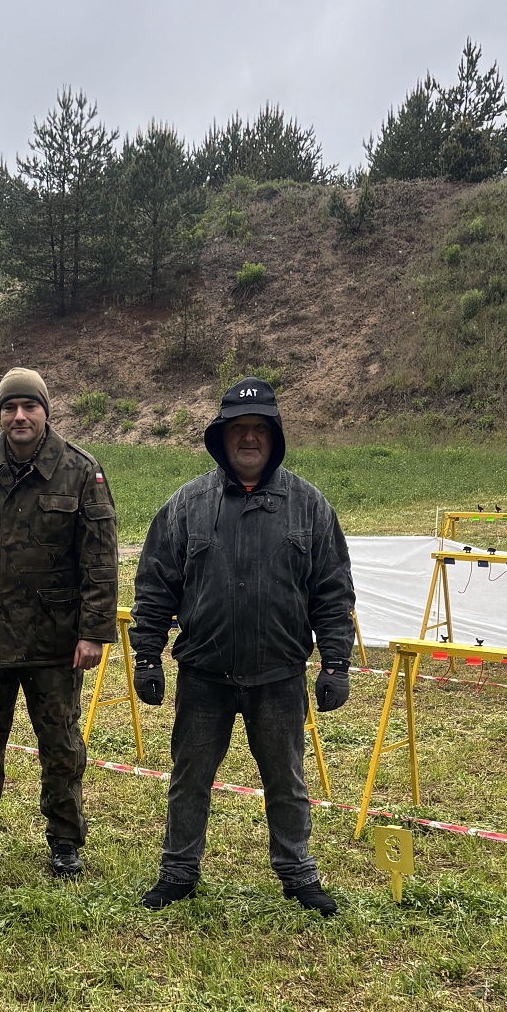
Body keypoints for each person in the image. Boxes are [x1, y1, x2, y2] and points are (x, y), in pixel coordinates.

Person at [129, 378, 354, 916]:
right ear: (220, 436)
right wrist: (146, 656)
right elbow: (155, 583)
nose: (248, 438)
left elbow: (332, 589)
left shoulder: (308, 506)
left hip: (278, 675)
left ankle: (298, 875)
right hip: (203, 674)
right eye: (238, 429)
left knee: (286, 782)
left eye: (259, 429)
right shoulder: (187, 505)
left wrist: (336, 662)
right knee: (189, 779)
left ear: (274, 437)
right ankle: (178, 872)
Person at [0, 367, 118, 876]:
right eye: (9, 407)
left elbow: (99, 560)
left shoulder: (79, 470)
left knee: (61, 747)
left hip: (54, 638)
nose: (19, 416)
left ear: (45, 412)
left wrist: (93, 632)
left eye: (29, 406)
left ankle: (64, 843)